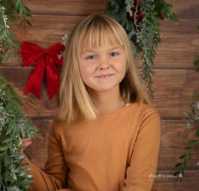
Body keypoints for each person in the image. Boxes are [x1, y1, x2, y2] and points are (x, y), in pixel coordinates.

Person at [20, 14, 161, 191]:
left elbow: (138, 187)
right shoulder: (63, 124)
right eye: (91, 57)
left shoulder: (145, 118)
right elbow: (53, 186)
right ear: (75, 64)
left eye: (113, 53)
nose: (104, 64)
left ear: (127, 58)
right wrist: (18, 158)